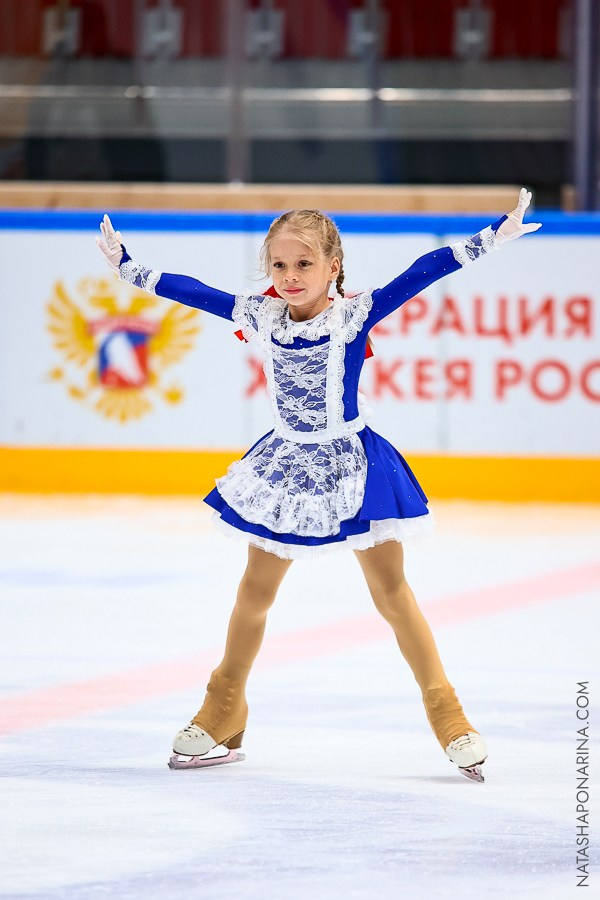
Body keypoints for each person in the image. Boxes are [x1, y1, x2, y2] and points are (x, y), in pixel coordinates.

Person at [96, 189, 541, 781]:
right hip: (286, 467)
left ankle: (449, 715)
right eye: (279, 264)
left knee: (392, 593)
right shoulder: (261, 317)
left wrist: (492, 237)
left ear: (334, 266)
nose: (289, 276)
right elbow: (194, 291)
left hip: (354, 466)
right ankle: (224, 706)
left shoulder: (352, 317)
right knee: (254, 591)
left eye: (304, 263)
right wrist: (129, 268)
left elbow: (423, 271)